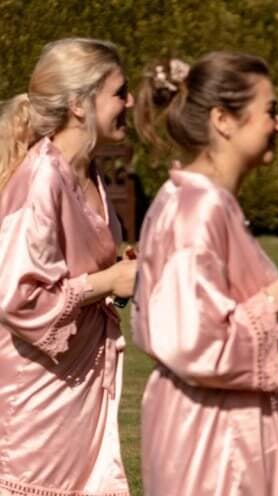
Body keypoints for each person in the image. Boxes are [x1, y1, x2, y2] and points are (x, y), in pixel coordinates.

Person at [131, 52, 278, 496]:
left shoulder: (211, 203)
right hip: (214, 449)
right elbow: (193, 342)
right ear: (224, 120)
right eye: (271, 111)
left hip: (230, 435)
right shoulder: (196, 209)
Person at [0, 38, 136, 496]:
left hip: (83, 391)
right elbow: (17, 298)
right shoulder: (41, 179)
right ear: (79, 103)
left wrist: (122, 274)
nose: (130, 102)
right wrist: (107, 280)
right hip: (40, 404)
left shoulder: (88, 172)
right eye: (121, 92)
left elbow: (83, 272)